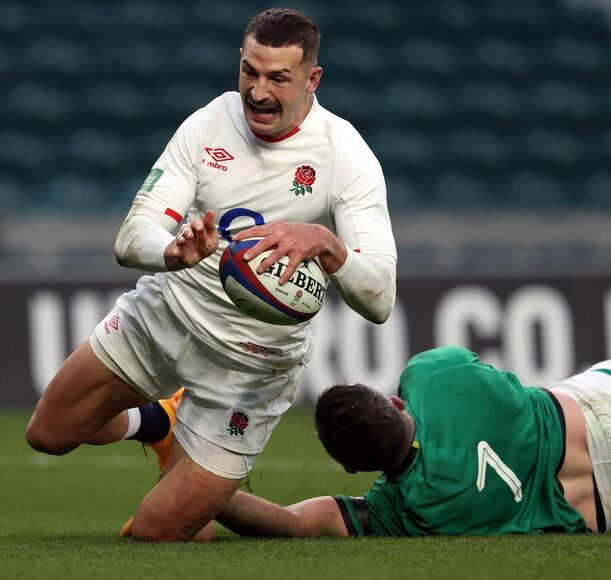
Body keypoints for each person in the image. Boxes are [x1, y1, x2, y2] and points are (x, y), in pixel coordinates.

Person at [25, 7, 397, 543]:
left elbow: (380, 298)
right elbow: (133, 236)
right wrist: (172, 252)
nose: (257, 91)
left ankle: (176, 440)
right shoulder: (208, 123)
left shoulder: (346, 157)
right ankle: (156, 423)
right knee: (48, 435)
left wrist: (329, 246)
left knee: (158, 534)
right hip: (167, 315)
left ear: (312, 80)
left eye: (277, 78)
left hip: (250, 368)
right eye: (249, 71)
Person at [205, 333, 611, 537]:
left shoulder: (402, 511)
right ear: (391, 399)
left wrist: (202, 485)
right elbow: (478, 370)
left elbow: (294, 524)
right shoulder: (432, 376)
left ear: (356, 471)